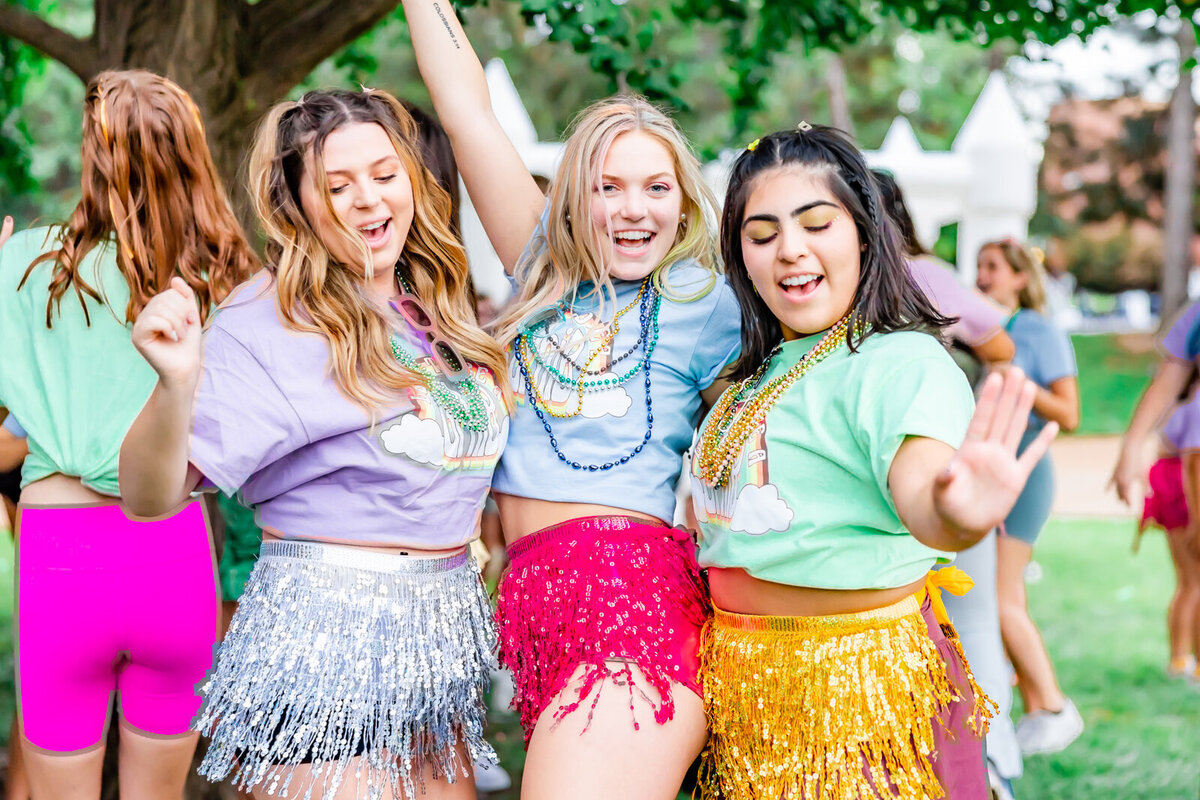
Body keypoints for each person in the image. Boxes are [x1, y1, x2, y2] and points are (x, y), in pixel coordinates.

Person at [119, 87, 511, 799]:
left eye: (385, 175)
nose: (368, 200)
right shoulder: (269, 320)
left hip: (438, 652)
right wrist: (174, 385)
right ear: (296, 204)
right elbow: (150, 495)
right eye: (337, 186)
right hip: (324, 652)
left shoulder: (431, 309)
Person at [401, 3, 741, 797]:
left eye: (658, 188)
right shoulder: (540, 268)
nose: (634, 208)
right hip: (534, 610)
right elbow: (465, 111)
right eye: (608, 186)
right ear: (572, 198)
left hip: (629, 603)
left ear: (685, 203)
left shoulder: (706, 300)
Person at [689, 125, 1056, 799]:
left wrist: (953, 514)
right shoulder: (751, 376)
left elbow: (922, 496)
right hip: (743, 685)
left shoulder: (899, 361)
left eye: (816, 223)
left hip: (857, 682)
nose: (790, 249)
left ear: (863, 232)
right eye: (762, 234)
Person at [0, 70, 257, 800]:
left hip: (59, 562)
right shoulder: (224, 280)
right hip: (173, 556)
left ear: (92, 157)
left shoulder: (21, 268)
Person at [874, 168, 1024, 797]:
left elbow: (1001, 348)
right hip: (889, 475)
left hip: (947, 467)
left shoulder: (923, 275)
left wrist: (961, 391)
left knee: (970, 616)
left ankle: (995, 759)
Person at [976, 238, 1082, 756]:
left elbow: (1070, 412)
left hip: (1026, 473)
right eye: (977, 266)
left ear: (1021, 276)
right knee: (1000, 599)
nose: (981, 275)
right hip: (990, 474)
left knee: (1001, 598)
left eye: (992, 267)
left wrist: (1014, 379)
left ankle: (1055, 708)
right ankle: (1039, 709)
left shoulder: (1039, 330)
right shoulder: (986, 332)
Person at [1138, 370, 1200, 678]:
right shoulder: (1195, 405)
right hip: (1184, 492)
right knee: (1192, 582)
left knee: (1189, 582)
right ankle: (1183, 660)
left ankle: (1182, 659)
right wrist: (1198, 523)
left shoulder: (1184, 404)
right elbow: (1194, 463)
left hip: (1176, 487)